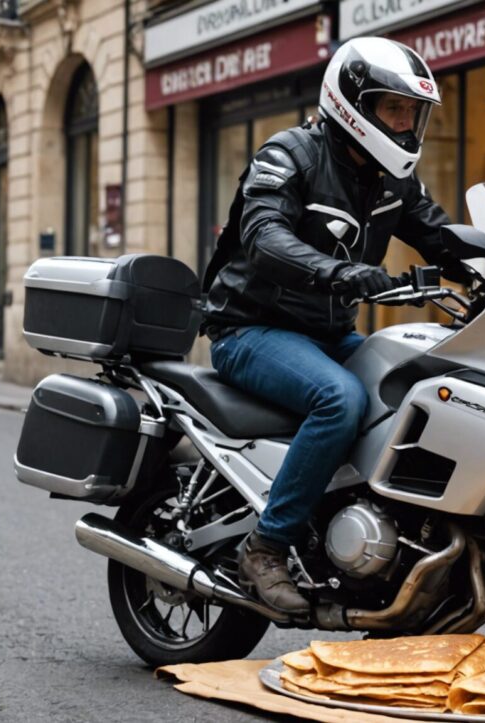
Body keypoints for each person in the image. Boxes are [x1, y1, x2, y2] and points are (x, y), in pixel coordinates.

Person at [200, 37, 467, 615]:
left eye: (411, 112)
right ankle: (266, 545)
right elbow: (264, 237)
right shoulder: (288, 154)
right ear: (352, 105)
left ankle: (387, 545)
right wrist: (342, 273)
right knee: (339, 399)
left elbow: (443, 238)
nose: (403, 123)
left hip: (324, 336)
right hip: (248, 329)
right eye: (391, 108)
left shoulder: (393, 181)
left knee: (418, 385)